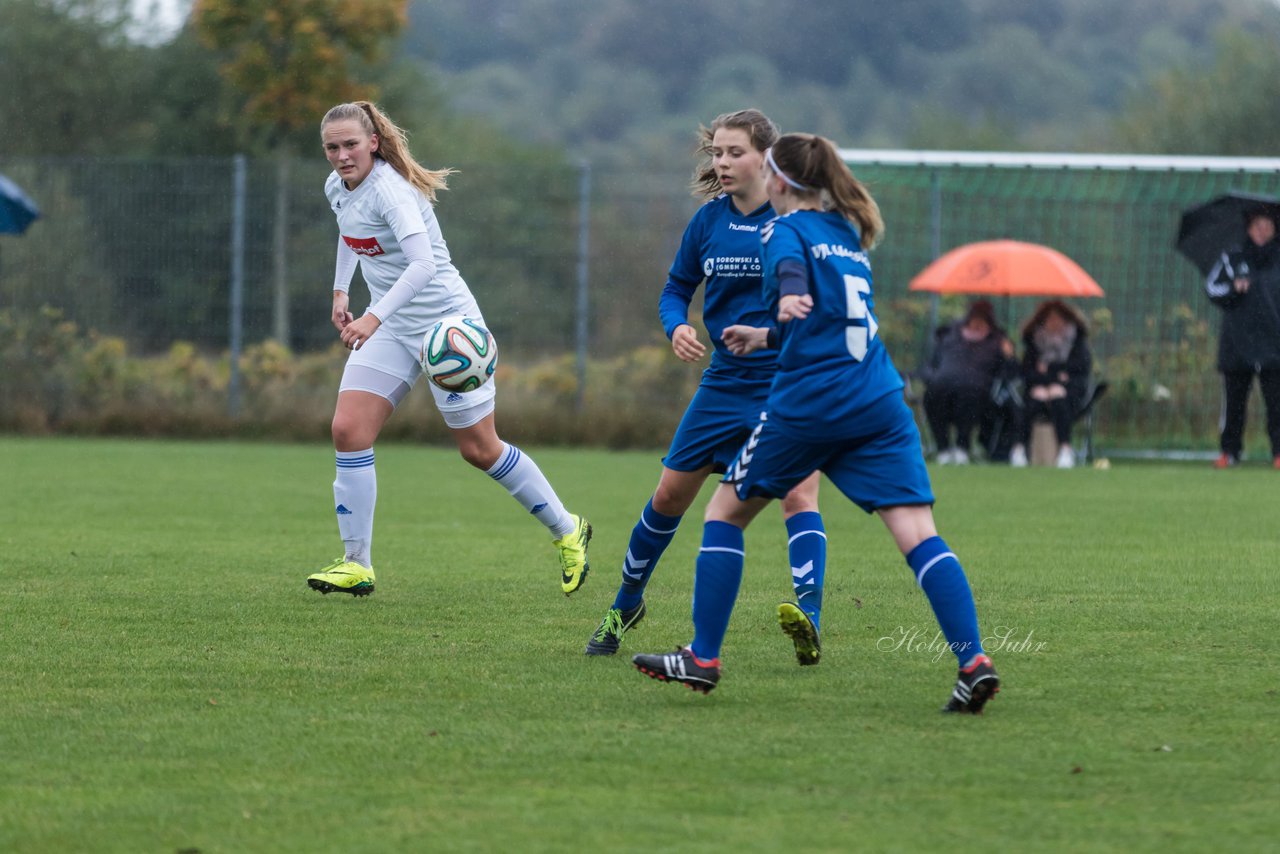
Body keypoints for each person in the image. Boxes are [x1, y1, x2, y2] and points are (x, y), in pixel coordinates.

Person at [631, 133, 1000, 713]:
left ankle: (702, 658)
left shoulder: (785, 230)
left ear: (778, 180)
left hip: (813, 403)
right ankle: (973, 661)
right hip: (879, 399)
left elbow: (791, 276)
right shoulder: (847, 234)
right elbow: (833, 320)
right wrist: (770, 333)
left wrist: (787, 300)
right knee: (918, 534)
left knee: (724, 512)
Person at [305, 101, 591, 597]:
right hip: (393, 327)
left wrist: (372, 316)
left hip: (447, 331)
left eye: (351, 144)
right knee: (348, 430)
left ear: (373, 142)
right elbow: (350, 236)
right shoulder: (338, 186)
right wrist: (340, 291)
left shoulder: (391, 192)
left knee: (479, 449)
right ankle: (357, 564)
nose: (342, 155)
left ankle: (568, 529)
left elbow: (422, 267)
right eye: (332, 147)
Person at [584, 109, 827, 665]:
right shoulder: (708, 221)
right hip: (723, 382)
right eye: (716, 153)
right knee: (669, 495)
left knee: (798, 492)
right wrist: (678, 326)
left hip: (787, 379)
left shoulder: (796, 220)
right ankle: (625, 605)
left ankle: (809, 619)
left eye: (733, 152)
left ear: (766, 157)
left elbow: (816, 308)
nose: (721, 163)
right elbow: (676, 287)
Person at [1205, 208, 1280, 468]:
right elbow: (1212, 288)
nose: (1262, 230)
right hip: (1237, 344)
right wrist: (1233, 289)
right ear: (1249, 228)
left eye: (1267, 225)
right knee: (1234, 403)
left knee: (1277, 404)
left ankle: (1278, 453)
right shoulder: (1232, 257)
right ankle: (1230, 452)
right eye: (1257, 225)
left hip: (1274, 345)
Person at [920, 299, 1016, 464]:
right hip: (942, 385)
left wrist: (1009, 357)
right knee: (933, 394)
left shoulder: (998, 341)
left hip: (977, 392)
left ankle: (962, 447)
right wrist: (929, 377)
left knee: (969, 394)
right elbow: (931, 364)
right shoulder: (949, 335)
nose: (977, 322)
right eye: (975, 317)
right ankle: (943, 448)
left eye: (983, 318)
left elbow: (1011, 372)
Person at [1008, 300, 1092, 469]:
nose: (1054, 323)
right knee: (1033, 400)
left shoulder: (1077, 342)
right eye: (1050, 319)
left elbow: (1078, 370)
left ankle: (1065, 449)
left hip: (1071, 394)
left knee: (1058, 397)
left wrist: (1048, 371)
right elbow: (1028, 373)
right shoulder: (1034, 343)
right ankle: (1019, 449)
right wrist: (1054, 378)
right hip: (1038, 389)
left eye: (1058, 318)